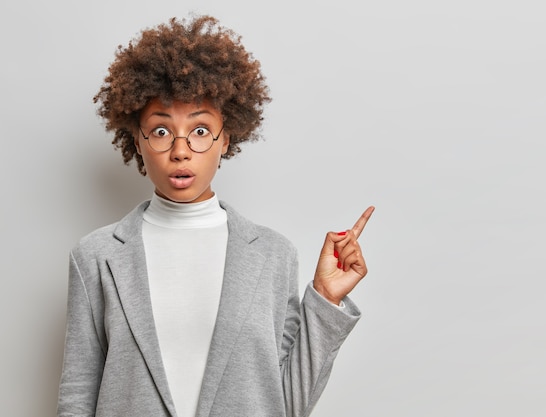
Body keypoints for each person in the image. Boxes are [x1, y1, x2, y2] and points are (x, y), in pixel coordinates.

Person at [57, 14, 374, 417]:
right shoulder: (96, 256)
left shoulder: (273, 255)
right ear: (136, 140)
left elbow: (287, 403)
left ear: (227, 138)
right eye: (160, 131)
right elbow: (78, 395)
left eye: (201, 130)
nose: (181, 150)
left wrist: (327, 300)